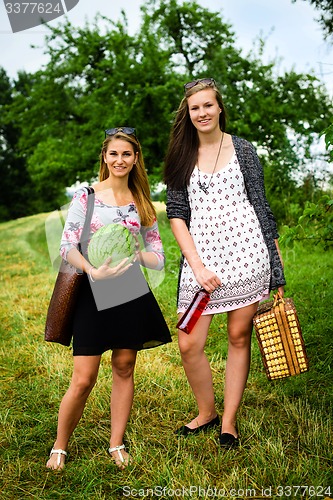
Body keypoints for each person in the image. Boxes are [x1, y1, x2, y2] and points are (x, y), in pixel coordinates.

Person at [163, 78, 285, 448]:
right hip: (202, 265)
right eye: (195, 107)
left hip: (248, 256)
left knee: (238, 336)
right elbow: (177, 214)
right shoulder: (180, 156)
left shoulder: (245, 150)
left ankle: (228, 421)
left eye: (208, 105)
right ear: (188, 112)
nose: (202, 112)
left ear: (219, 108)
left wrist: (276, 263)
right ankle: (206, 410)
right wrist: (196, 266)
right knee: (189, 344)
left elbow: (261, 206)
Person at [46, 127, 171, 470]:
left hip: (129, 289)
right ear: (105, 157)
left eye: (126, 154)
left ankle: (116, 443)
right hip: (91, 287)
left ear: (135, 159)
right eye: (114, 154)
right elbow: (66, 246)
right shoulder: (86, 196)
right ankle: (59, 445)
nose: (120, 160)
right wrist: (91, 270)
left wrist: (138, 255)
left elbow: (158, 254)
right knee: (84, 376)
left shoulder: (140, 201)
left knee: (124, 366)